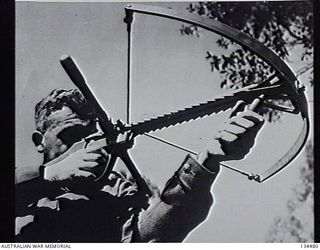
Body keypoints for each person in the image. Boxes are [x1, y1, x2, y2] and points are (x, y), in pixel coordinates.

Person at [15, 88, 264, 242]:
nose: (84, 147)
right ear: (40, 141)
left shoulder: (116, 194)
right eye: (69, 137)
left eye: (90, 139)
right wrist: (50, 175)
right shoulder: (21, 188)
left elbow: (152, 233)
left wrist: (206, 160)